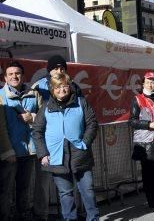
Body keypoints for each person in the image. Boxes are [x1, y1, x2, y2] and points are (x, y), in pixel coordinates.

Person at [31, 72, 98, 221]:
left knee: (88, 191)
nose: (62, 90)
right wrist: (42, 153)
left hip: (80, 154)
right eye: (57, 87)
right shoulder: (46, 107)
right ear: (52, 90)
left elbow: (92, 123)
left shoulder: (81, 102)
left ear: (70, 87)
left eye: (65, 86)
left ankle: (93, 218)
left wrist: (85, 142)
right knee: (65, 194)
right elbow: (37, 131)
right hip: (57, 156)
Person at [31, 54, 78, 221]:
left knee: (71, 181)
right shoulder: (38, 86)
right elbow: (32, 110)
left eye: (62, 67)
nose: (59, 70)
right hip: (46, 142)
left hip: (69, 143)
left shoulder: (72, 85)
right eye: (55, 68)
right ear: (49, 70)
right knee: (43, 181)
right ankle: (41, 214)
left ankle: (73, 214)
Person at [0, 61, 39, 221]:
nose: (14, 76)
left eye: (17, 73)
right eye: (10, 74)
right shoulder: (1, 96)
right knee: (5, 190)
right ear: (5, 77)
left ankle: (23, 216)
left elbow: (44, 118)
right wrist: (7, 151)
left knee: (24, 189)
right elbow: (0, 127)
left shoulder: (34, 94)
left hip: (28, 152)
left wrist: (33, 117)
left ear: (23, 76)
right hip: (9, 153)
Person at [129, 71, 154, 208]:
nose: (150, 85)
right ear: (143, 84)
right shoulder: (137, 99)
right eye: (148, 82)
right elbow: (132, 121)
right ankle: (151, 201)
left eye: (153, 82)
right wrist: (148, 124)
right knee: (147, 172)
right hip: (144, 140)